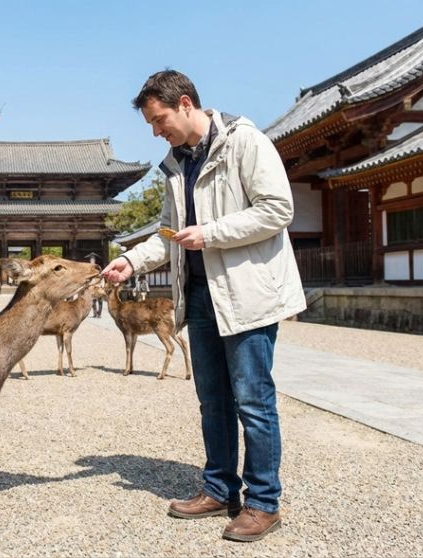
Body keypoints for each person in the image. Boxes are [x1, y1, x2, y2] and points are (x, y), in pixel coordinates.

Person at [101, 70, 305, 542]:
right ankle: (218, 488)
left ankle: (263, 502)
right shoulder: (176, 163)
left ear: (186, 103)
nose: (156, 131)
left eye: (159, 120)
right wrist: (131, 261)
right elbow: (169, 234)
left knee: (253, 400)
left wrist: (211, 234)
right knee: (212, 400)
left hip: (246, 292)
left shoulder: (245, 142)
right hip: (198, 294)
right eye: (152, 124)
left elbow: (278, 209)